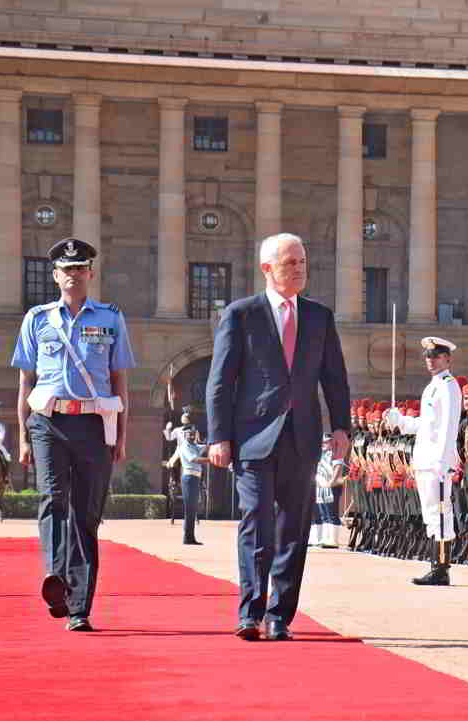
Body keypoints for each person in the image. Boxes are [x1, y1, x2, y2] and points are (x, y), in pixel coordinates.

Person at [206, 232, 351, 642]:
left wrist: (341, 426)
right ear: (267, 269)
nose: (299, 269)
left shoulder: (319, 316)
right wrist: (219, 436)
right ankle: (250, 612)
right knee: (257, 522)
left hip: (302, 436)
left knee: (293, 529)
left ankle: (279, 615)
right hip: (252, 438)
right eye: (290, 263)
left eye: (302, 262)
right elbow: (221, 382)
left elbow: (334, 377)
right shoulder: (241, 314)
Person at [10, 237, 135, 632]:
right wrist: (23, 436)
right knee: (53, 499)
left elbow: (120, 382)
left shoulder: (111, 318)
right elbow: (25, 381)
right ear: (55, 275)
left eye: (79, 268)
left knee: (85, 513)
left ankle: (80, 607)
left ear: (90, 273)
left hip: (94, 423)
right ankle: (56, 579)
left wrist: (121, 435)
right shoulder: (37, 319)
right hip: (47, 421)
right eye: (66, 269)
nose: (72, 275)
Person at [383, 337, 463, 586]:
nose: (431, 360)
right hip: (425, 459)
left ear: (447, 358)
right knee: (430, 513)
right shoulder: (432, 387)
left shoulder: (449, 385)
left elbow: (450, 425)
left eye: (436, 356)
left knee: (440, 512)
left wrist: (443, 460)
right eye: (428, 356)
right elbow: (427, 425)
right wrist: (401, 421)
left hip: (436, 462)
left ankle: (441, 569)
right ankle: (434, 564)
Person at [163, 415, 208, 545]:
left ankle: (190, 536)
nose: (191, 434)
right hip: (184, 459)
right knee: (172, 464)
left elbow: (203, 445)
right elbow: (169, 438)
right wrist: (168, 429)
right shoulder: (179, 433)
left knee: (192, 508)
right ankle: (173, 482)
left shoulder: (194, 440)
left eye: (192, 432)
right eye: (189, 433)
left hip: (194, 474)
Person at [313, 433, 346, 549]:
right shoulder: (321, 454)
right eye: (323, 442)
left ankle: (333, 539)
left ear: (332, 442)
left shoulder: (336, 453)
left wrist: (330, 483)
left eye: (326, 442)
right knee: (323, 513)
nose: (324, 444)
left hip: (333, 486)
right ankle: (325, 538)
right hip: (322, 487)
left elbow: (338, 468)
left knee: (332, 513)